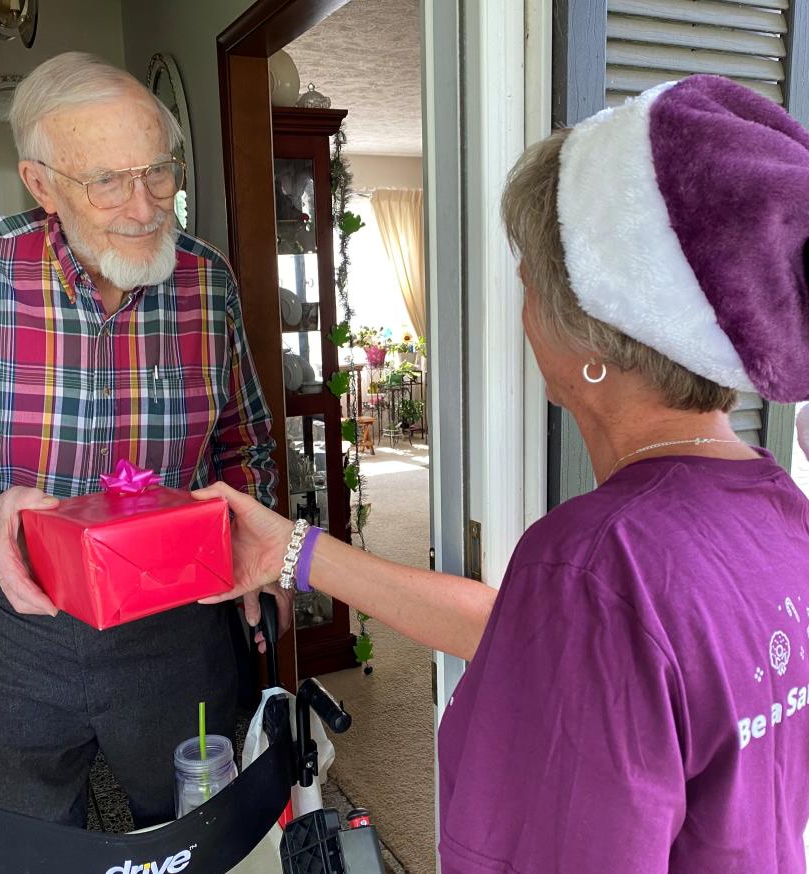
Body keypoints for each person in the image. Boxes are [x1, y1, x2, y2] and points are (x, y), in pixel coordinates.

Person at [197, 75, 809, 873]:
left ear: (586, 335)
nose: (520, 311)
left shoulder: (594, 565)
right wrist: (290, 551)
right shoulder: (778, 509)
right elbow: (522, 632)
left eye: (526, 282)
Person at [0, 52, 282, 831]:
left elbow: (241, 444)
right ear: (42, 184)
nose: (147, 205)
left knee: (206, 822)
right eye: (108, 180)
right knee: (32, 840)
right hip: (9, 624)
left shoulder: (206, 280)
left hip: (175, 615)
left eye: (160, 171)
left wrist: (259, 547)